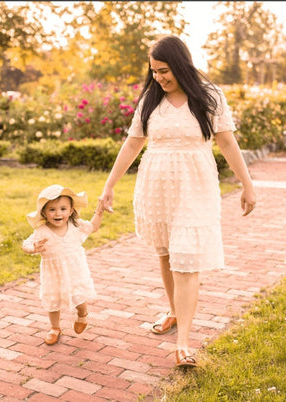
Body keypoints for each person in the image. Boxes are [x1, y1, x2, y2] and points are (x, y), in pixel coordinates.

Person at [99, 35, 256, 368]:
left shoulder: (210, 97)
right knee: (167, 253)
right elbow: (132, 144)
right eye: (154, 71)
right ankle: (173, 311)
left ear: (182, 65)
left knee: (186, 260)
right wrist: (109, 186)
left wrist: (247, 184)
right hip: (156, 186)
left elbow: (227, 143)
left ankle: (183, 342)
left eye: (165, 70)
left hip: (195, 186)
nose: (159, 78)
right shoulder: (150, 100)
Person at [22, 184, 105, 345]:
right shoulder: (42, 231)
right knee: (53, 300)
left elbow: (93, 227)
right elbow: (26, 244)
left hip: (75, 271)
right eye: (52, 209)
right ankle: (55, 328)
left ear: (71, 210)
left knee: (79, 298)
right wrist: (33, 248)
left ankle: (82, 314)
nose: (58, 213)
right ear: (44, 212)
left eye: (63, 209)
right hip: (53, 274)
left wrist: (99, 212)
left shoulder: (75, 226)